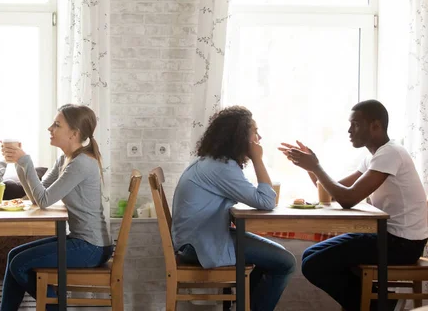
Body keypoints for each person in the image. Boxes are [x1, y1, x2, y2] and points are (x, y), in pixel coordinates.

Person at [280, 99, 428, 311]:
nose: (350, 130)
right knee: (310, 257)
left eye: (356, 124)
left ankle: (375, 304)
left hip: (402, 244)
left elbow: (348, 199)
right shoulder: (374, 156)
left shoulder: (390, 153)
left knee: (314, 262)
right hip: (392, 238)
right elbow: (334, 192)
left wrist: (316, 166)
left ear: (375, 126)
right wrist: (311, 166)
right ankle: (376, 303)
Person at [172, 106, 296, 311]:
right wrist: (257, 158)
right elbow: (266, 202)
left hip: (193, 240)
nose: (259, 137)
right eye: (255, 132)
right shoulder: (221, 168)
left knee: (276, 257)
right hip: (197, 245)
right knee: (285, 263)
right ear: (240, 137)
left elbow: (258, 198)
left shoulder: (213, 162)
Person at [0, 104, 113, 311]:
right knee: (13, 256)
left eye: (57, 125)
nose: (50, 129)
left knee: (19, 264)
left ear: (74, 134)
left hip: (92, 247)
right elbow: (38, 196)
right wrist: (20, 164)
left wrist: (26, 161)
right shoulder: (65, 159)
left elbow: (44, 200)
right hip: (82, 240)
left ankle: (57, 307)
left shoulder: (81, 164)